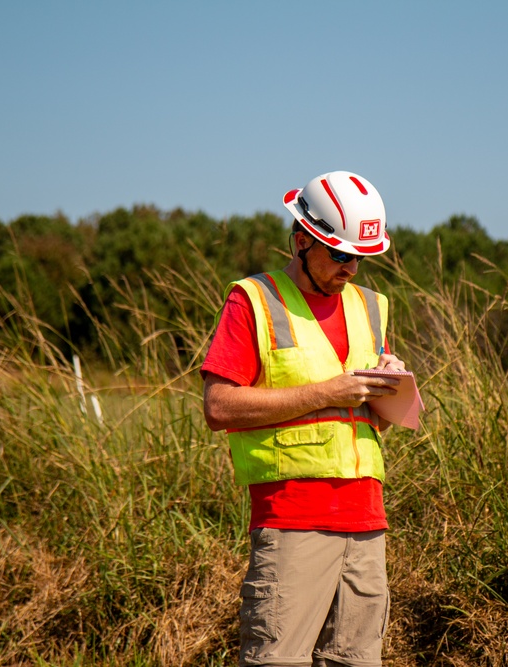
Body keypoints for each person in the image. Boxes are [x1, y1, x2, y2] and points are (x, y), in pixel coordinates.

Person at [201, 170, 406, 666]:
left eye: (360, 256)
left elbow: (367, 419)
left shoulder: (372, 307)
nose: (351, 268)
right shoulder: (253, 301)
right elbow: (219, 406)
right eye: (339, 254)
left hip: (366, 523)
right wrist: (325, 392)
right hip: (293, 520)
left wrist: (389, 385)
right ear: (300, 241)